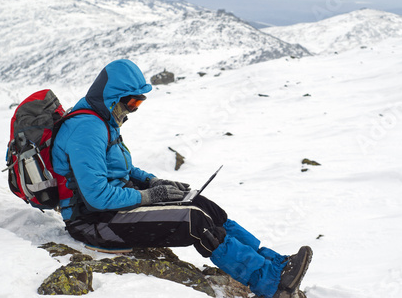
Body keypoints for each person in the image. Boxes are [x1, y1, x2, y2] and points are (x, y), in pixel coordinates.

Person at [51, 59, 312, 298]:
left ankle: (274, 264)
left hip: (114, 209)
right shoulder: (87, 129)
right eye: (132, 103)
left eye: (138, 103)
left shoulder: (102, 121)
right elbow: (97, 196)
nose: (134, 110)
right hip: (94, 222)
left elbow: (123, 169)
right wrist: (148, 196)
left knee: (204, 205)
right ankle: (270, 283)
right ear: (112, 97)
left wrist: (155, 182)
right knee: (194, 221)